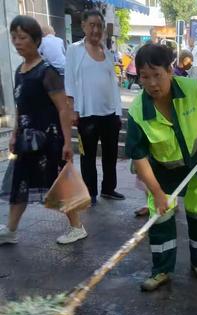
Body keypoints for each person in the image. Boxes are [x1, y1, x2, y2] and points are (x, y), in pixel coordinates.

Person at [125, 44, 197, 291]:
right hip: (161, 172)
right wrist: (158, 193)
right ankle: (161, 270)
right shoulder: (138, 111)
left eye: (157, 75)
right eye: (144, 77)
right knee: (160, 219)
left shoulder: (192, 88)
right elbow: (139, 158)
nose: (151, 83)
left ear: (170, 71)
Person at [0, 15, 86, 246]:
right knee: (20, 182)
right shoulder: (20, 71)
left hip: (49, 139)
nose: (18, 42)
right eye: (14, 37)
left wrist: (68, 142)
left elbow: (63, 109)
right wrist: (15, 133)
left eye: (23, 37)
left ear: (36, 40)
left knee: (57, 183)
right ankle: (11, 229)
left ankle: (77, 227)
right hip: (27, 140)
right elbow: (21, 107)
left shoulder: (47, 72)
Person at [65, 9, 124, 205]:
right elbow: (69, 80)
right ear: (83, 26)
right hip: (87, 113)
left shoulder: (106, 52)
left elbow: (113, 83)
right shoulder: (75, 50)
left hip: (109, 113)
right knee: (87, 156)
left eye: (99, 26)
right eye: (92, 25)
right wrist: (72, 107)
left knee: (111, 154)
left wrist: (117, 111)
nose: (96, 29)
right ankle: (90, 193)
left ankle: (109, 188)